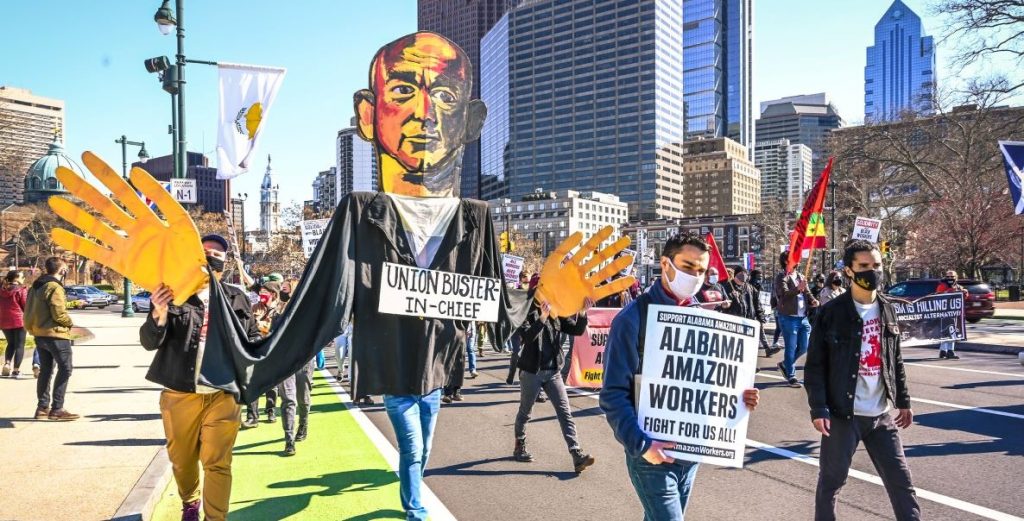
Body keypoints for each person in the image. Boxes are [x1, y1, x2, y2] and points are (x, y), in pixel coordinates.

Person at [600, 233, 759, 520]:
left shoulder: (700, 316)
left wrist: (739, 396)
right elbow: (612, 395)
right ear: (665, 263)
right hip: (652, 454)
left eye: (700, 270)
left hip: (692, 452)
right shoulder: (632, 319)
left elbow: (708, 381)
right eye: (687, 267)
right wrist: (642, 445)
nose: (695, 277)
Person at [140, 234, 259, 521]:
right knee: (182, 460)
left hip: (223, 393)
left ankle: (215, 518)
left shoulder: (236, 297)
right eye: (205, 251)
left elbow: (253, 337)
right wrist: (158, 313)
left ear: (225, 260)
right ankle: (190, 502)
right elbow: (148, 342)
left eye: (218, 253)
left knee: (218, 463)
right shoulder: (173, 294)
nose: (211, 256)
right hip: (180, 392)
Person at [805, 240, 919, 521]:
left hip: (881, 416)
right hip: (843, 415)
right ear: (849, 271)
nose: (873, 272)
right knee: (832, 482)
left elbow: (896, 361)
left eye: (877, 266)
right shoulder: (831, 312)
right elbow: (815, 366)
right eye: (865, 266)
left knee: (901, 482)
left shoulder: (888, 308)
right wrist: (819, 409)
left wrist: (903, 401)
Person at [513, 294, 595, 473]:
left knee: (565, 413)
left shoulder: (557, 311)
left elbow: (577, 330)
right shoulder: (526, 310)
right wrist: (542, 317)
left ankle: (576, 454)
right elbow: (527, 337)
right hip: (531, 372)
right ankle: (520, 444)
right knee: (525, 412)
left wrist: (582, 313)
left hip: (553, 372)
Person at [25, 257, 78, 421]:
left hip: (39, 333)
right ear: (62, 270)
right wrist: (70, 323)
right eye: (65, 268)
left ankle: (42, 408)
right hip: (55, 334)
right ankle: (57, 409)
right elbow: (59, 313)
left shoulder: (36, 285)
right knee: (66, 368)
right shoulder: (55, 286)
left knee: (46, 371)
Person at [773, 252, 818, 388]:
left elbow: (807, 292)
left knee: (804, 347)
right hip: (788, 317)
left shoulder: (800, 276)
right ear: (787, 262)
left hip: (803, 317)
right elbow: (783, 295)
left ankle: (785, 364)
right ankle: (791, 376)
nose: (797, 261)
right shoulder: (782, 277)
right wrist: (798, 289)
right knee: (791, 347)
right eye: (794, 259)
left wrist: (813, 300)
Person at [242, 281, 283, 429]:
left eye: (265, 292)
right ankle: (252, 417)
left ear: (273, 294)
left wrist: (266, 326)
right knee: (252, 382)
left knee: (272, 384)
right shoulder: (254, 308)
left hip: (273, 350)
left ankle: (271, 410)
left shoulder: (280, 310)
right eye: (261, 292)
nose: (261, 295)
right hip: (256, 349)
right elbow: (248, 326)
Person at [1, 270, 29, 378]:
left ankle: (7, 363)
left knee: (10, 343)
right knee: (19, 345)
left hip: (4, 321)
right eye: (22, 276)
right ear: (16, 278)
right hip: (19, 321)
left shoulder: (2, 290)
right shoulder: (21, 290)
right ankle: (16, 370)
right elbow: (25, 306)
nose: (24, 278)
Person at [749, 269, 780, 357]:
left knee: (760, 330)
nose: (760, 279)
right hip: (749, 313)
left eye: (761, 277)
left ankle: (767, 348)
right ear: (753, 277)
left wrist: (765, 312)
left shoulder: (760, 287)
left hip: (757, 312)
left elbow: (762, 301)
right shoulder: (748, 286)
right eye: (758, 277)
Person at [935, 270, 966, 360]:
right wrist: (949, 291)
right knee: (945, 331)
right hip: (944, 313)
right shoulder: (942, 286)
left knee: (953, 332)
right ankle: (944, 350)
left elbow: (963, 298)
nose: (950, 278)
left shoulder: (959, 287)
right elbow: (937, 296)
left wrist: (965, 293)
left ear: (956, 277)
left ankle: (949, 351)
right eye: (948, 277)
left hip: (955, 313)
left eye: (952, 277)